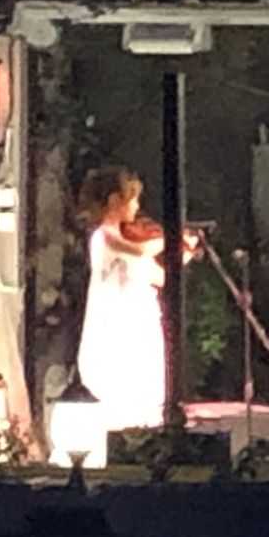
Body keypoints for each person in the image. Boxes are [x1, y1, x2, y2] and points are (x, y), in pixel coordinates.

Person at [74, 166, 197, 430]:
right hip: (114, 332)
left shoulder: (127, 241)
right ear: (115, 201)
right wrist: (171, 238)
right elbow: (140, 250)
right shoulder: (103, 237)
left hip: (141, 329)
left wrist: (184, 253)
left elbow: (161, 278)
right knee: (121, 402)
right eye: (133, 199)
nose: (138, 206)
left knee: (148, 400)